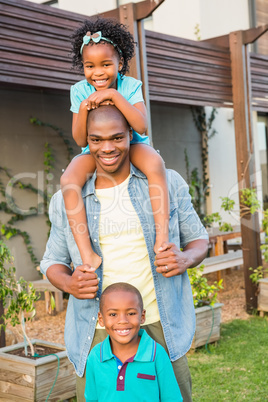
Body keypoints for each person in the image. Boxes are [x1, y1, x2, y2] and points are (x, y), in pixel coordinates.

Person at [40, 105, 209, 402]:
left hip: (160, 322)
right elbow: (52, 261)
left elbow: (199, 241)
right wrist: (68, 284)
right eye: (96, 140)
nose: (107, 148)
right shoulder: (66, 199)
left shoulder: (166, 183)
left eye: (117, 137)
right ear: (87, 142)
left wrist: (184, 259)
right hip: (97, 328)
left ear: (131, 135)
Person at [60, 17, 169, 271]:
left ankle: (161, 237)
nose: (98, 72)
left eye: (106, 64)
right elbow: (79, 139)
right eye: (90, 66)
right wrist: (86, 107)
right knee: (68, 180)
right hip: (95, 150)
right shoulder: (79, 91)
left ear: (120, 62)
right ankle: (88, 254)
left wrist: (113, 95)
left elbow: (141, 126)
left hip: (132, 144)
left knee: (154, 163)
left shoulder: (129, 85)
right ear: (83, 67)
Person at [84, 282, 183, 402]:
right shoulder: (95, 357)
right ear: (101, 319)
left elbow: (172, 398)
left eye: (131, 313)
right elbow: (91, 398)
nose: (122, 321)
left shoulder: (156, 354)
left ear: (142, 316)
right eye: (113, 314)